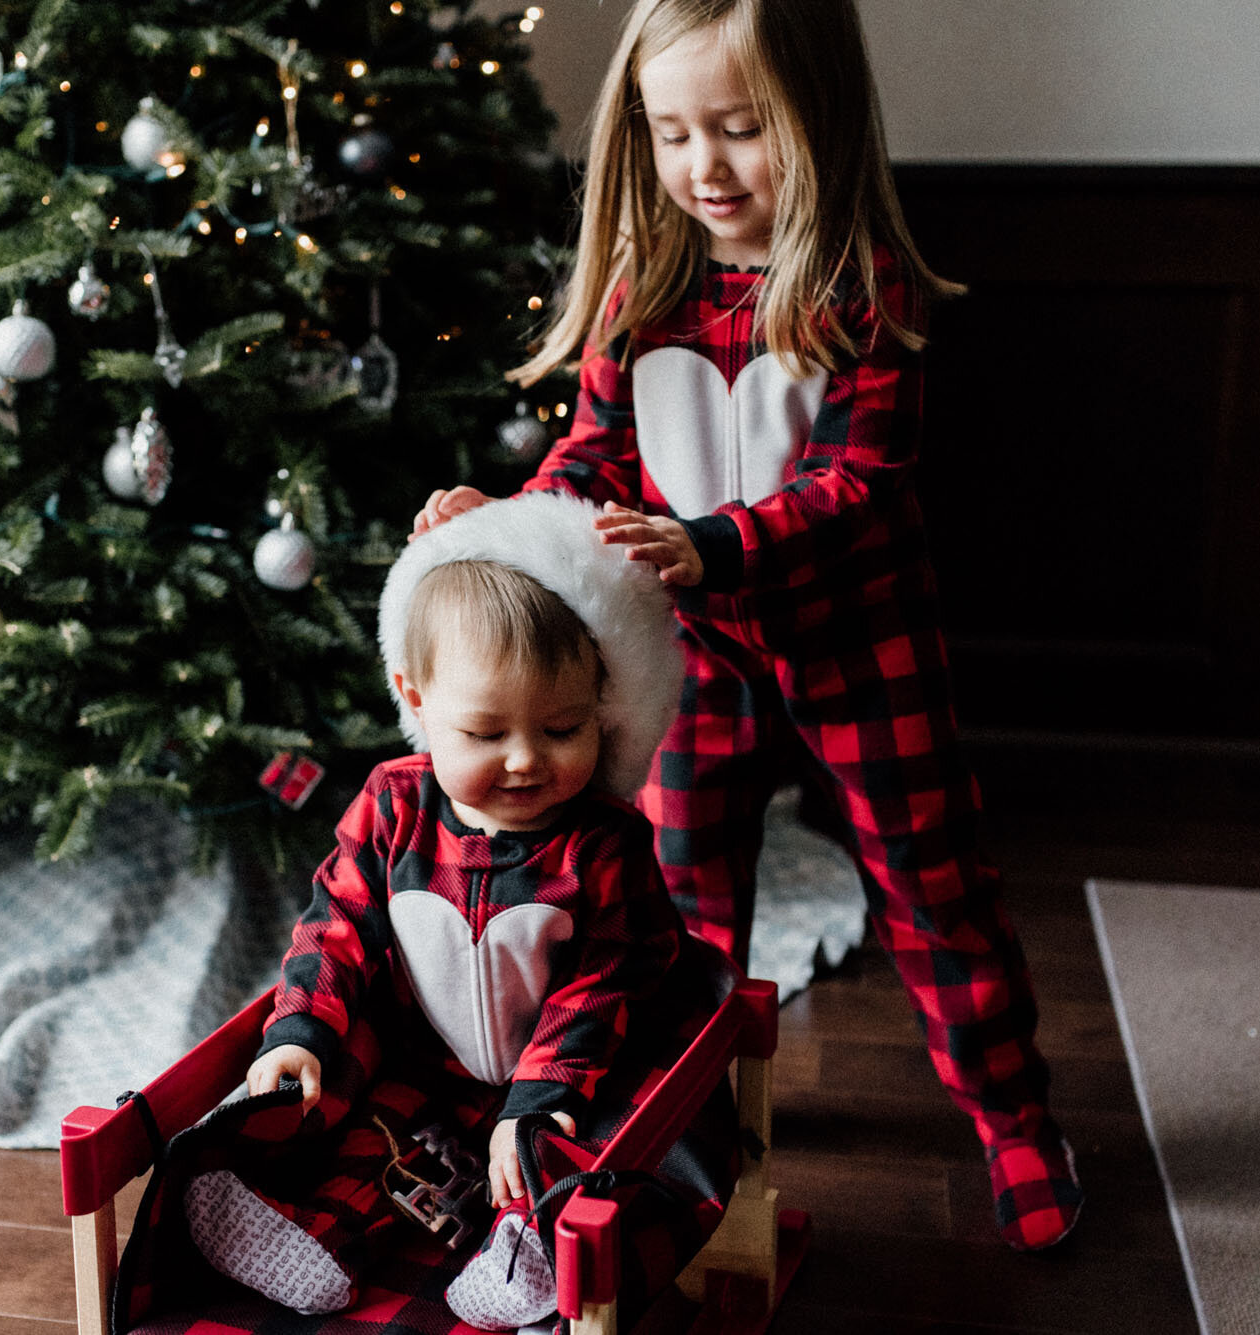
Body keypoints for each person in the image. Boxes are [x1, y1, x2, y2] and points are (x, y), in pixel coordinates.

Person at [411, 0, 1083, 1251]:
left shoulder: (858, 285)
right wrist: (490, 523)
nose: (702, 167)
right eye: (671, 135)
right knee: (677, 895)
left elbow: (857, 483)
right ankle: (692, 1109)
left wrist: (706, 544)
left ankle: (1010, 1117)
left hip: (858, 645)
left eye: (738, 128)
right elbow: (591, 460)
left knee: (932, 886)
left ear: (815, 122)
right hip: (695, 657)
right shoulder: (642, 282)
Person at [184, 492, 702, 1328]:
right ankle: (310, 1230)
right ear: (416, 699)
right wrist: (298, 1029)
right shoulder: (393, 803)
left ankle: (529, 1245)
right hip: (422, 1063)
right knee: (375, 1136)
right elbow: (335, 922)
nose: (527, 759)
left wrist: (536, 1099)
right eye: (487, 732)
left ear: (601, 707)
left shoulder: (603, 843)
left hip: (562, 1073)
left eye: (564, 726)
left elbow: (607, 981)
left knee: (569, 1146)